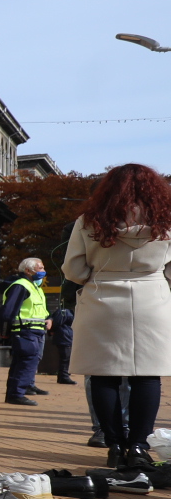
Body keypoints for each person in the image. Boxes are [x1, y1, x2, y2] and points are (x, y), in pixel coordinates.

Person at [62, 162, 171, 469]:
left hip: (103, 300)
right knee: (148, 376)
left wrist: (99, 276)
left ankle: (113, 445)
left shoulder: (90, 220)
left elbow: (74, 269)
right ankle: (138, 446)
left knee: (103, 376)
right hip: (152, 301)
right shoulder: (166, 221)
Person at [0, 258, 51, 406]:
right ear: (28, 271)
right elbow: (8, 311)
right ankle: (17, 394)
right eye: (40, 268)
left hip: (32, 331)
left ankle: (15, 393)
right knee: (26, 362)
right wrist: (5, 333)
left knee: (22, 362)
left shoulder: (32, 286)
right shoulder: (21, 286)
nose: (43, 271)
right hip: (25, 331)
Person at [52, 305, 76, 386]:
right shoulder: (65, 313)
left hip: (65, 338)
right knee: (65, 358)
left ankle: (63, 376)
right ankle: (64, 377)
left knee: (66, 358)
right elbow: (56, 324)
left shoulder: (67, 313)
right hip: (64, 338)